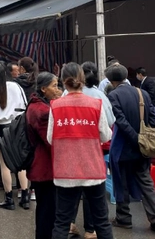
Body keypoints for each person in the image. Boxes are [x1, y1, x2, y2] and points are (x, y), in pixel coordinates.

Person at [48, 63, 113, 239]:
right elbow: (106, 135)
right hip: (93, 169)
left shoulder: (55, 106)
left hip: (65, 171)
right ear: (83, 80)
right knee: (102, 221)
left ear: (63, 81)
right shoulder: (95, 104)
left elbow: (50, 138)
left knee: (62, 222)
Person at [106, 64, 155, 235]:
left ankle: (123, 217)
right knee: (146, 182)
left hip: (122, 146)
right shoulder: (143, 93)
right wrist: (145, 138)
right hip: (143, 148)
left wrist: (135, 139)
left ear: (110, 80)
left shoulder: (113, 95)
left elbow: (120, 121)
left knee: (121, 182)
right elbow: (153, 119)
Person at [0, 62, 30, 210]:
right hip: (18, 126)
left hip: (2, 128)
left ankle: (9, 199)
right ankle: (25, 197)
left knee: (4, 165)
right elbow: (25, 106)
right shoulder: (17, 87)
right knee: (21, 162)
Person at [26, 72, 61, 239]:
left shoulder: (35, 105)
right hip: (45, 168)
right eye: (54, 86)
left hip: (40, 166)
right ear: (43, 89)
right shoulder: (42, 111)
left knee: (44, 211)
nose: (57, 89)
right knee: (47, 213)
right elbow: (51, 141)